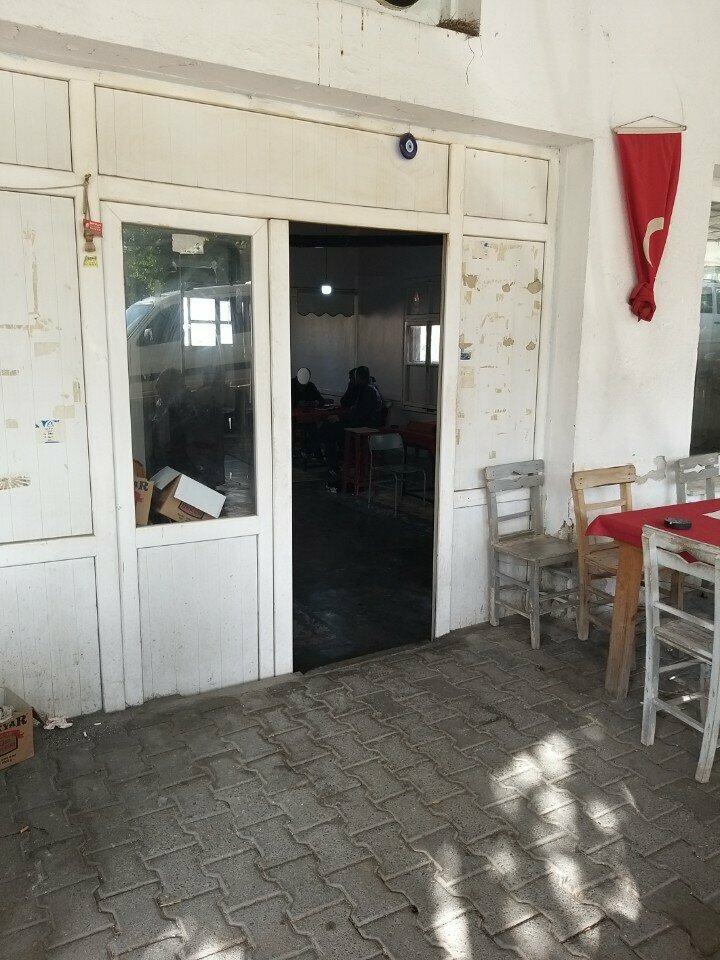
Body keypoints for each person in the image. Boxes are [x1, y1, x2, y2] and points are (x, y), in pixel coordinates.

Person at [319, 365, 383, 491]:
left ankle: (333, 465)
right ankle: (332, 459)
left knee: (329, 431)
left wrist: (341, 418)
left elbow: (360, 415)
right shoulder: (366, 388)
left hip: (364, 427)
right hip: (360, 423)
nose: (351, 381)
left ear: (357, 377)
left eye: (353, 378)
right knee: (329, 426)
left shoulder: (368, 390)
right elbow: (348, 403)